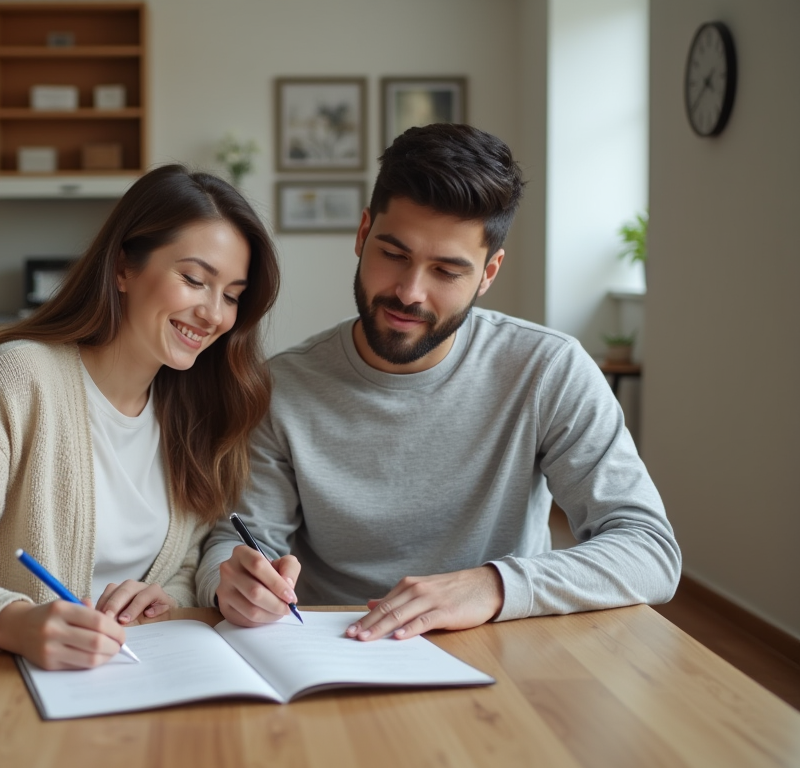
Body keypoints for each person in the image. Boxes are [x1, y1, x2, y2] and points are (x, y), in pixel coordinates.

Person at [197, 123, 680, 641]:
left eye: (447, 271)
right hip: (336, 648)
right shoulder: (282, 387)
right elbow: (238, 539)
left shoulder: (548, 370)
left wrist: (492, 586)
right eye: (393, 254)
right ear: (362, 235)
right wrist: (233, 581)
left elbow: (648, 549)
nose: (409, 292)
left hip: (502, 644)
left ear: (488, 273)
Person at [0, 165, 280, 669]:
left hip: (137, 680)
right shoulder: (19, 378)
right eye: (194, 279)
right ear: (123, 267)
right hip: (10, 691)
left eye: (231, 295)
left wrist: (162, 595)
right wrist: (10, 621)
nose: (214, 314)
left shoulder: (195, 409)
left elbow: (186, 557)